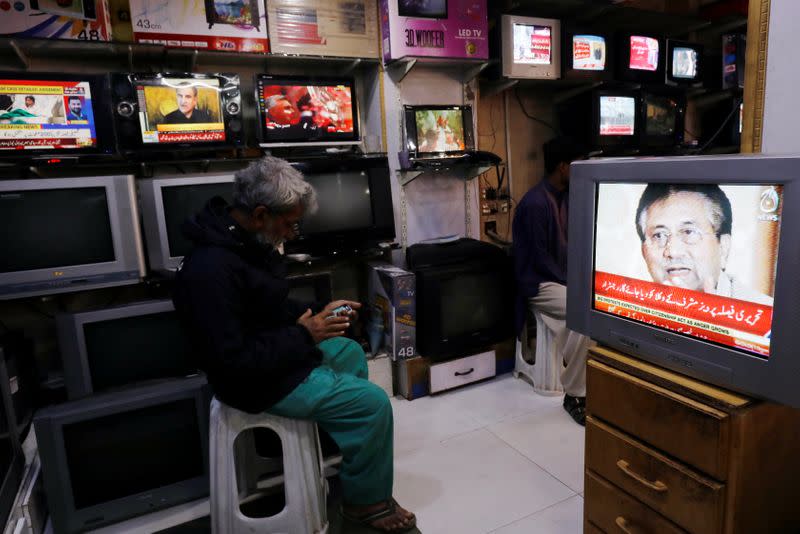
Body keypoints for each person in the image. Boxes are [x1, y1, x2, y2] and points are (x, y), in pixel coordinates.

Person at [172, 157, 416, 533]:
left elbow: (269, 306)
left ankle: (340, 451)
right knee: (373, 405)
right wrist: (306, 335)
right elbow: (231, 361)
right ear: (259, 214)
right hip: (252, 383)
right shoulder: (210, 269)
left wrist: (317, 312)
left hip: (272, 358)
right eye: (288, 223)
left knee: (349, 351)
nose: (292, 232)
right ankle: (364, 505)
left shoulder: (243, 243)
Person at [512, 137, 592, 426]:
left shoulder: (567, 197)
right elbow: (539, 259)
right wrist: (575, 285)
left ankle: (581, 380)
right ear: (563, 167)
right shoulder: (535, 203)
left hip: (561, 280)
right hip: (538, 284)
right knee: (585, 317)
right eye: (578, 165)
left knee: (596, 311)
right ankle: (574, 393)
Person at [635, 184, 773, 305]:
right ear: (643, 253)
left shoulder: (765, 317)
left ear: (723, 248)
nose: (673, 252)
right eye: (659, 235)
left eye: (689, 232)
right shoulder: (632, 304)